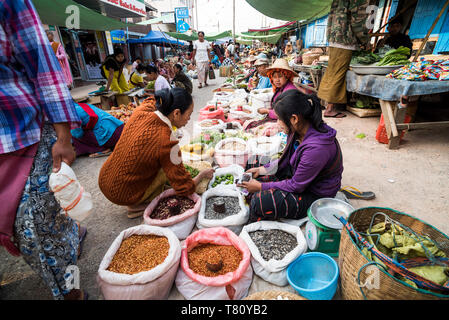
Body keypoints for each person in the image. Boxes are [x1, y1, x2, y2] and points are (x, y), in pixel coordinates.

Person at [0, 0, 86, 300]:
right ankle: (72, 234)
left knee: (40, 232)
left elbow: (42, 66)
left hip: (23, 134)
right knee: (41, 223)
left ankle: (72, 293)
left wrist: (63, 137)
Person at [98, 88, 215, 218]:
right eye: (189, 114)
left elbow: (151, 101)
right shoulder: (167, 142)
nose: (189, 119)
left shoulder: (141, 111)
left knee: (159, 162)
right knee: (164, 171)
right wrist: (202, 174)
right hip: (123, 194)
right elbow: (184, 188)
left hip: (105, 178)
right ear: (176, 113)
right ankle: (136, 205)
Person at [238, 90, 343, 222]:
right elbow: (286, 160)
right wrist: (261, 170)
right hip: (297, 175)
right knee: (254, 162)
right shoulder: (299, 130)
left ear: (294, 119)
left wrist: (261, 187)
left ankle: (255, 213)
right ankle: (257, 187)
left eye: (280, 119)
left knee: (261, 201)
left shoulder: (317, 149)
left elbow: (296, 185)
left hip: (314, 194)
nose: (277, 123)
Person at [317, 0, 370, 118]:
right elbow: (358, 22)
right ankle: (330, 109)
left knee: (332, 71)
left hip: (334, 36)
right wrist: (365, 40)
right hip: (345, 39)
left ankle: (326, 105)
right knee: (338, 73)